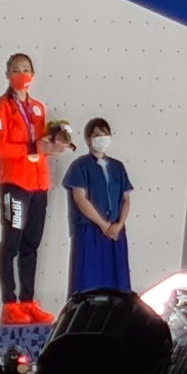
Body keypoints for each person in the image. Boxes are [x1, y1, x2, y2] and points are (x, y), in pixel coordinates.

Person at [0, 53, 70, 325]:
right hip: (14, 184)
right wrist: (33, 148)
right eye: (16, 69)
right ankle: (9, 303)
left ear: (33, 74)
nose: (22, 74)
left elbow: (42, 141)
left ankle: (28, 300)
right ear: (7, 74)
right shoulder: (0, 109)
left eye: (26, 69)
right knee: (12, 240)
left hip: (38, 183)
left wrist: (55, 143)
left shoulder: (38, 108)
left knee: (32, 244)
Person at [63, 118, 133, 296]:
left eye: (105, 135)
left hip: (116, 231)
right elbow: (80, 199)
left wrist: (119, 224)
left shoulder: (118, 167)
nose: (101, 139)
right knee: (88, 279)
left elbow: (126, 198)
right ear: (87, 139)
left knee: (117, 281)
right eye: (96, 135)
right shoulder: (80, 166)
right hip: (90, 229)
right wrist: (103, 225)